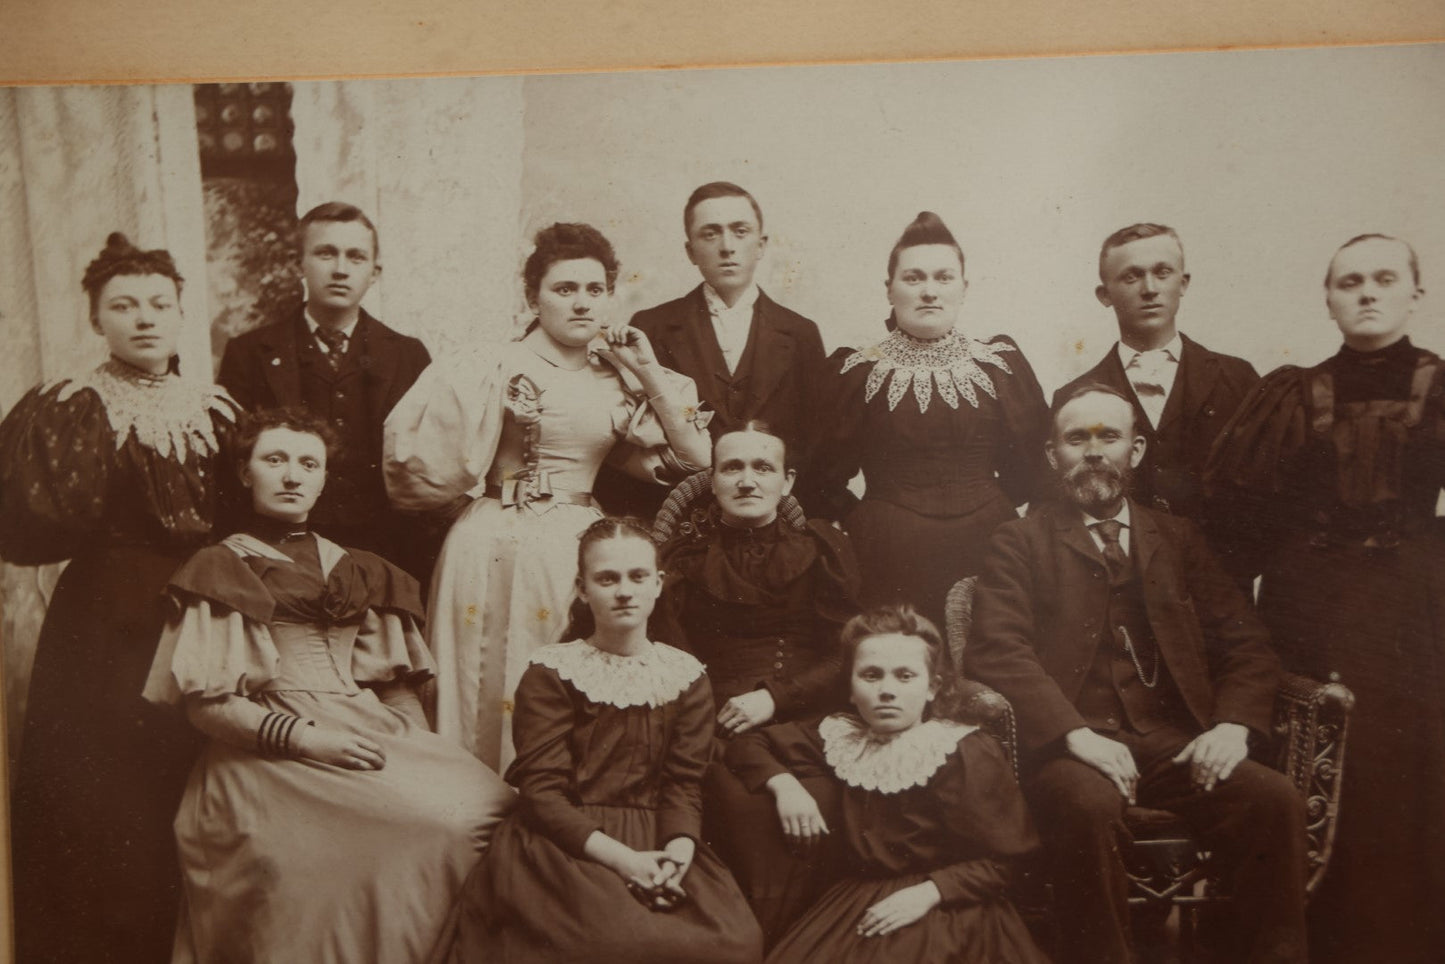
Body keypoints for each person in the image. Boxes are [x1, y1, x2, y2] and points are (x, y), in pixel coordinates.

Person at [142, 409, 513, 963]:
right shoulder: (220, 566)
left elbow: (394, 686)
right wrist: (307, 739)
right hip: (264, 753)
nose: (292, 475)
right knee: (409, 831)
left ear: (322, 477)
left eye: (308, 463)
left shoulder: (358, 568)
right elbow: (209, 705)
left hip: (363, 730)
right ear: (245, 472)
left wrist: (419, 754)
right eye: (275, 460)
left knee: (492, 810)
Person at [966, 384, 1307, 964]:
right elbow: (998, 651)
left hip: (1174, 747)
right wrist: (1074, 736)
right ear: (1053, 457)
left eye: (1109, 437)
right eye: (1077, 439)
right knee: (1086, 807)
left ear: (1137, 450)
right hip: (1070, 751)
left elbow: (1248, 645)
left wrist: (1232, 728)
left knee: (1272, 799)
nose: (1094, 451)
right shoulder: (1019, 542)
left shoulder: (1177, 539)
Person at [384, 222, 712, 768]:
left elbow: (697, 460)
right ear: (532, 295)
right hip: (487, 539)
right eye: (564, 289)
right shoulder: (491, 364)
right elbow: (413, 470)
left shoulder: (617, 379)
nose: (582, 303)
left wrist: (648, 370)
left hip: (572, 546)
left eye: (595, 290)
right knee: (477, 677)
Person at [0, 233, 239, 963]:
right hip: (102, 623)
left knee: (192, 781)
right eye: (123, 306)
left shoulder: (219, 410)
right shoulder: (71, 406)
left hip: (200, 613)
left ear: (180, 314)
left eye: (159, 305)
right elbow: (28, 525)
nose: (144, 319)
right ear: (96, 320)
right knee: (99, 793)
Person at [1206, 234, 1445, 964]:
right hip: (1306, 613)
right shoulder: (1288, 392)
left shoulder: (1440, 387)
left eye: (1382, 279)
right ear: (1327, 297)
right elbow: (1239, 529)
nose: (1365, 293)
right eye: (1348, 282)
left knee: (1400, 775)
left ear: (1414, 292)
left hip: (1407, 614)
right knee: (1309, 769)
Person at [450, 517, 764, 964]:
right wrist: (624, 862)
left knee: (734, 942)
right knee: (613, 942)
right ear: (582, 589)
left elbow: (683, 785)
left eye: (637, 577)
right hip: (567, 843)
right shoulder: (552, 672)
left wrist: (676, 854)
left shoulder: (685, 676)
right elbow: (543, 793)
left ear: (657, 585)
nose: (624, 591)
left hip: (658, 834)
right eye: (607, 578)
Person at [726, 603, 1046, 964]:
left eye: (905, 676)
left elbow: (1004, 862)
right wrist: (783, 785)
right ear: (850, 688)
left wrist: (930, 893)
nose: (887, 691)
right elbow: (748, 744)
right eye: (871, 675)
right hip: (857, 899)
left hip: (951, 907)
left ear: (932, 687)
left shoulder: (960, 750)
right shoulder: (841, 737)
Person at [654, 422, 861, 941]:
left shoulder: (822, 550)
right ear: (714, 480)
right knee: (749, 812)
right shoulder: (684, 562)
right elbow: (676, 663)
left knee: (832, 804)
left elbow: (848, 654)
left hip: (808, 717)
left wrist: (777, 697)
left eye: (762, 467)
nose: (748, 481)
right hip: (718, 723)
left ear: (786, 482)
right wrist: (730, 711)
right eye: (733, 468)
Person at [813, 210, 1050, 632]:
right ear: (889, 290)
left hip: (989, 543)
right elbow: (820, 478)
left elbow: (1031, 469)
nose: (929, 292)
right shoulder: (857, 370)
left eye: (943, 277)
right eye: (913, 278)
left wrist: (986, 504)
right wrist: (870, 518)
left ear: (964, 288)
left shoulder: (999, 363)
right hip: (886, 551)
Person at [218, 201, 435, 577]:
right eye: (325, 253)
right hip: (280, 549)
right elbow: (232, 463)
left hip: (387, 547)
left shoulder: (407, 355)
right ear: (296, 263)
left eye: (355, 257)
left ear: (374, 271)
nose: (339, 269)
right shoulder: (250, 352)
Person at [596, 182, 829, 519]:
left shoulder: (800, 333)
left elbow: (815, 444)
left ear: (761, 245)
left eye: (740, 231)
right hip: (681, 520)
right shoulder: (653, 327)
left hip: (775, 524)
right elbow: (633, 443)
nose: (727, 247)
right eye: (710, 234)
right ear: (690, 250)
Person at [1054, 223, 1258, 578]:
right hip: (1125, 587)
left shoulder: (1237, 379)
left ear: (1184, 282)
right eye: (1131, 277)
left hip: (1221, 584)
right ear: (1105, 294)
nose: (1149, 289)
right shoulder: (1076, 395)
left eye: (1162, 273)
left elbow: (1265, 499)